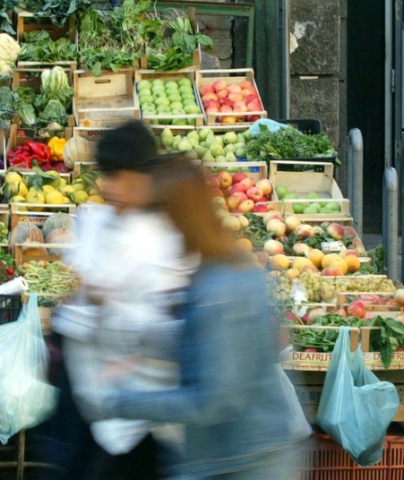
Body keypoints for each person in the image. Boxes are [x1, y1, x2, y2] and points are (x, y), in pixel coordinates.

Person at [96, 156, 297, 479]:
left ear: (177, 220)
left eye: (157, 218)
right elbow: (205, 344)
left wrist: (120, 402)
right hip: (234, 455)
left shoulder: (218, 289)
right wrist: (144, 341)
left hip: (245, 462)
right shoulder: (220, 271)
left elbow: (211, 401)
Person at [39, 121, 197, 480]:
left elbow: (169, 323)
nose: (111, 188)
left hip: (139, 410)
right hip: (83, 391)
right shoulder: (96, 222)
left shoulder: (166, 239)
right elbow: (79, 290)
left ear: (144, 177)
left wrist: (108, 303)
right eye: (107, 177)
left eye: (121, 178)